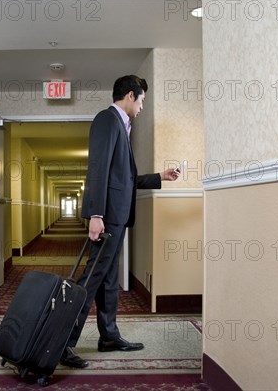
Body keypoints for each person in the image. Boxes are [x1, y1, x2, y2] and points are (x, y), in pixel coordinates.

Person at [60, 75, 180, 368]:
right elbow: (97, 168)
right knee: (91, 279)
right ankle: (61, 342)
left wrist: (159, 177)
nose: (141, 107)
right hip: (108, 218)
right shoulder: (107, 120)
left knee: (109, 280)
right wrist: (96, 214)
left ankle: (109, 335)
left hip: (117, 219)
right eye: (141, 101)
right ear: (130, 95)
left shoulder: (121, 126)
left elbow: (123, 179)